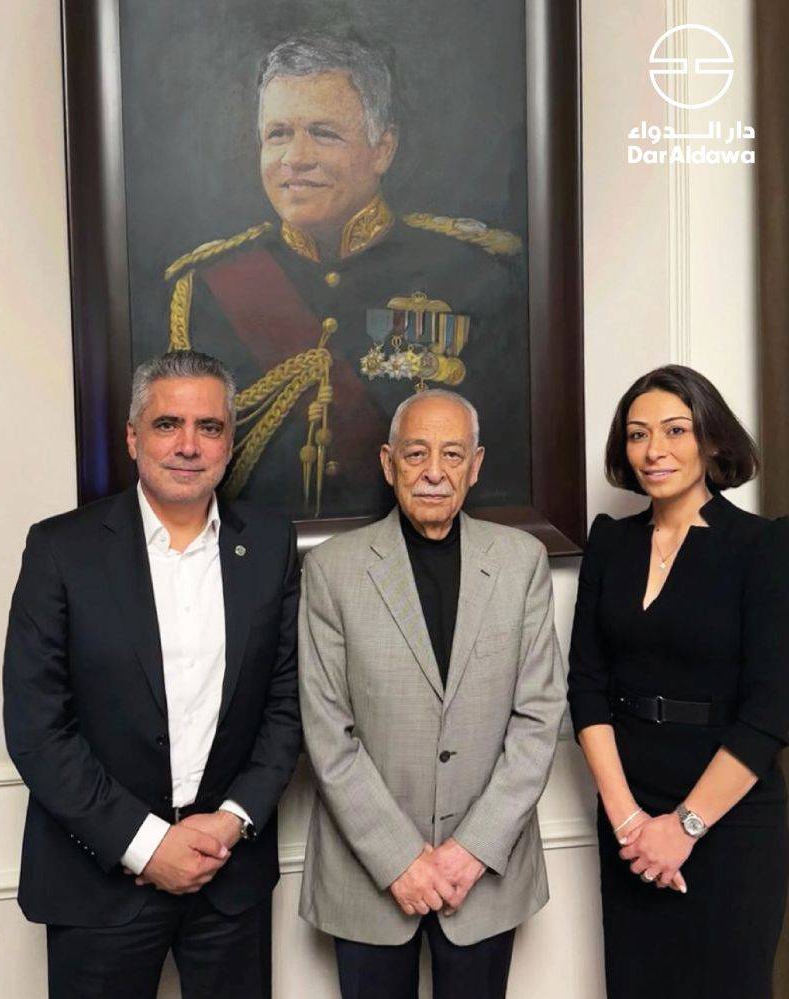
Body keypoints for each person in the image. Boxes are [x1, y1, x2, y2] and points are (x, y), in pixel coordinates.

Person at [3, 351, 301, 999]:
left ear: (229, 441)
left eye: (209, 427)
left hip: (230, 877)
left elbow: (286, 706)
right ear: (133, 437)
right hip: (98, 882)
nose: (189, 445)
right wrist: (145, 844)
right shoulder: (60, 549)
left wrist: (232, 819)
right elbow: (37, 729)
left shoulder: (271, 543)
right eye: (168, 424)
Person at [164, 35, 528, 520]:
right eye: (278, 134)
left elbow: (502, 456)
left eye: (323, 133)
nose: (296, 157)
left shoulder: (472, 274)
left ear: (383, 149)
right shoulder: (209, 287)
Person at [298, 389, 565, 999]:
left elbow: (539, 716)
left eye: (452, 454)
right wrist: (399, 858)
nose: (434, 472)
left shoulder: (521, 561)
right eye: (417, 454)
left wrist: (472, 849)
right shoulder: (332, 570)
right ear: (388, 463)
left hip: (486, 874)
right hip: (366, 876)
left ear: (476, 465)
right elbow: (326, 731)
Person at [567, 365, 789, 999]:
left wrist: (683, 827)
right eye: (638, 434)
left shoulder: (763, 546)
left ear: (711, 441)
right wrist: (629, 823)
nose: (653, 450)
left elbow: (772, 709)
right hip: (629, 815)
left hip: (730, 820)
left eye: (674, 430)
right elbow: (586, 686)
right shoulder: (610, 543)